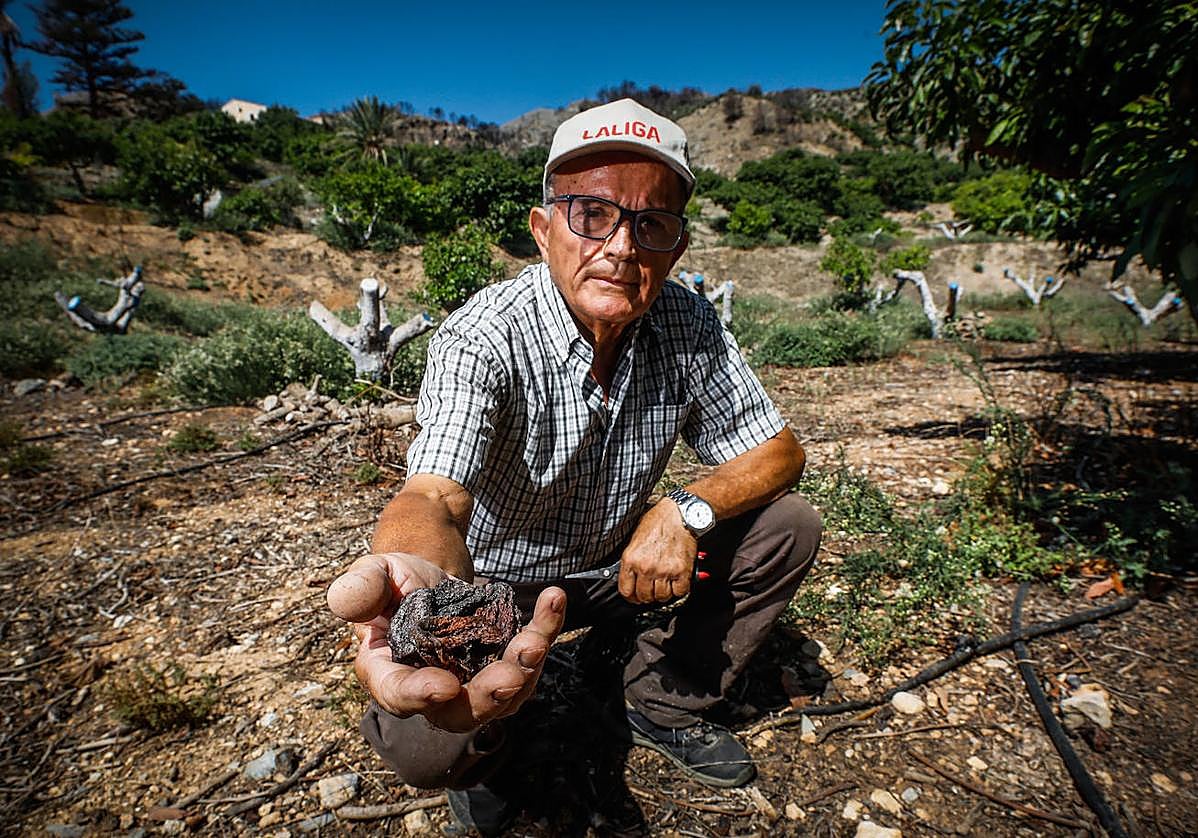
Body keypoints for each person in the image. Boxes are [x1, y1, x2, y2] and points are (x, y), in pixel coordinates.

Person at [326, 98, 821, 834]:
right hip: (496, 591)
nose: (623, 247)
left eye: (652, 224)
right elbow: (435, 493)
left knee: (786, 525)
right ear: (543, 228)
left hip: (616, 572)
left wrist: (680, 510)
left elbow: (779, 450)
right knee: (426, 739)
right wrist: (415, 571)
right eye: (593, 214)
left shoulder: (687, 322)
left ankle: (659, 698)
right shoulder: (483, 337)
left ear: (677, 249)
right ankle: (486, 761)